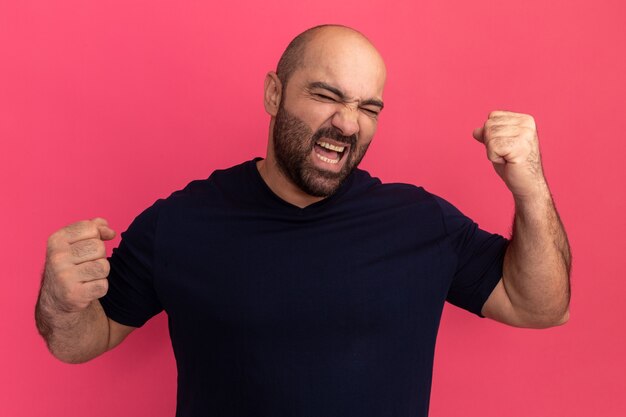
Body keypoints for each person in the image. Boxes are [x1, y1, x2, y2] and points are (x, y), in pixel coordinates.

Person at [35, 25, 571, 416]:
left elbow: (540, 305)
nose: (347, 122)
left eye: (368, 107)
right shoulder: (182, 222)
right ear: (274, 93)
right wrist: (60, 302)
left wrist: (531, 188)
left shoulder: (421, 222)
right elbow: (85, 338)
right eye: (325, 95)